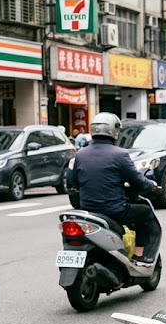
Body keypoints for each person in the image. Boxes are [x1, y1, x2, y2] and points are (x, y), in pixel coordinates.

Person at [65, 112, 159, 264]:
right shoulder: (120, 155)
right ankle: (139, 255)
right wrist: (152, 186)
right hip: (114, 211)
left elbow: (72, 182)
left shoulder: (80, 155)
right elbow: (138, 181)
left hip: (87, 210)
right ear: (114, 131)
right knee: (145, 213)